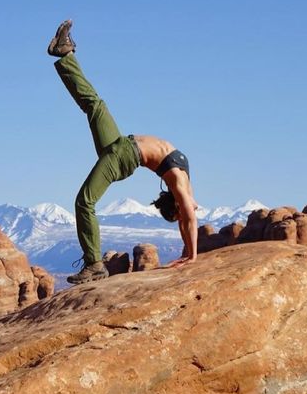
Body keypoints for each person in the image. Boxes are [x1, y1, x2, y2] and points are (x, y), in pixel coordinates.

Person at [48, 20, 198, 285]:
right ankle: (65, 53)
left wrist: (192, 254)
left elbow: (187, 215)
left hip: (122, 157)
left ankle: (94, 263)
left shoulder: (178, 180)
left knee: (84, 201)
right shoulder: (184, 188)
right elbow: (189, 214)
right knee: (94, 104)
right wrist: (188, 249)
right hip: (120, 143)